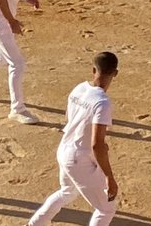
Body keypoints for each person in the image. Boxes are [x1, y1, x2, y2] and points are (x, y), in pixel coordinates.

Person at [27, 52, 120, 226]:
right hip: (80, 159)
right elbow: (97, 144)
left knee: (67, 191)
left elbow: (68, 118)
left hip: (64, 150)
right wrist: (109, 176)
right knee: (105, 209)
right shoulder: (102, 102)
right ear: (115, 73)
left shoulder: (79, 89)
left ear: (94, 70)